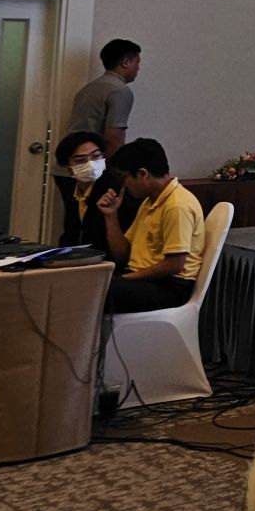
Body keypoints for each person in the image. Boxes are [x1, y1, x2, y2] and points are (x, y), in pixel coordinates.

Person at [93, 138, 206, 313]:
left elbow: (175, 265)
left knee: (95, 291)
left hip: (170, 285)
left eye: (124, 178)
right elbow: (122, 255)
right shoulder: (149, 201)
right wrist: (111, 216)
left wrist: (126, 278)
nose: (123, 185)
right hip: (145, 279)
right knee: (85, 282)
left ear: (143, 174)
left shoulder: (177, 205)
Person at [59, 39, 142, 226]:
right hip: (90, 168)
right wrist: (114, 172)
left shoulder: (89, 88)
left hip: (70, 165)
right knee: (95, 225)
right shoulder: (120, 91)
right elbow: (113, 137)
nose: (138, 68)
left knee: (74, 223)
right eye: (137, 62)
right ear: (125, 62)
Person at [53, 131, 134, 251]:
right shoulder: (73, 191)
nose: (90, 164)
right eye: (80, 160)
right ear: (67, 167)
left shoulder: (113, 189)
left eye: (96, 156)